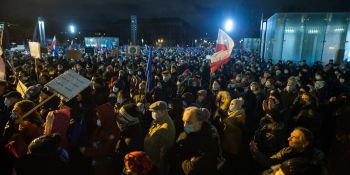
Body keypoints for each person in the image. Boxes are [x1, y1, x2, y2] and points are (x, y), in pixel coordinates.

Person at [174, 107, 220, 175]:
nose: (185, 125)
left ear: (200, 122)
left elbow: (191, 169)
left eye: (189, 122)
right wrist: (178, 142)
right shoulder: (188, 133)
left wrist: (180, 157)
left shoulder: (208, 139)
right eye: (184, 121)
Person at [250, 127, 324, 168]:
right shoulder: (287, 150)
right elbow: (270, 162)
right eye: (290, 136)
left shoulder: (317, 157)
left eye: (294, 137)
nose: (288, 139)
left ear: (305, 143)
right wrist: (256, 151)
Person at [144, 101, 176, 174]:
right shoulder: (157, 121)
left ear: (161, 112)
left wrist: (160, 170)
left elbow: (164, 153)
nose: (152, 114)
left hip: (155, 165)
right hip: (149, 161)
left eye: (153, 112)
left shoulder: (166, 127)